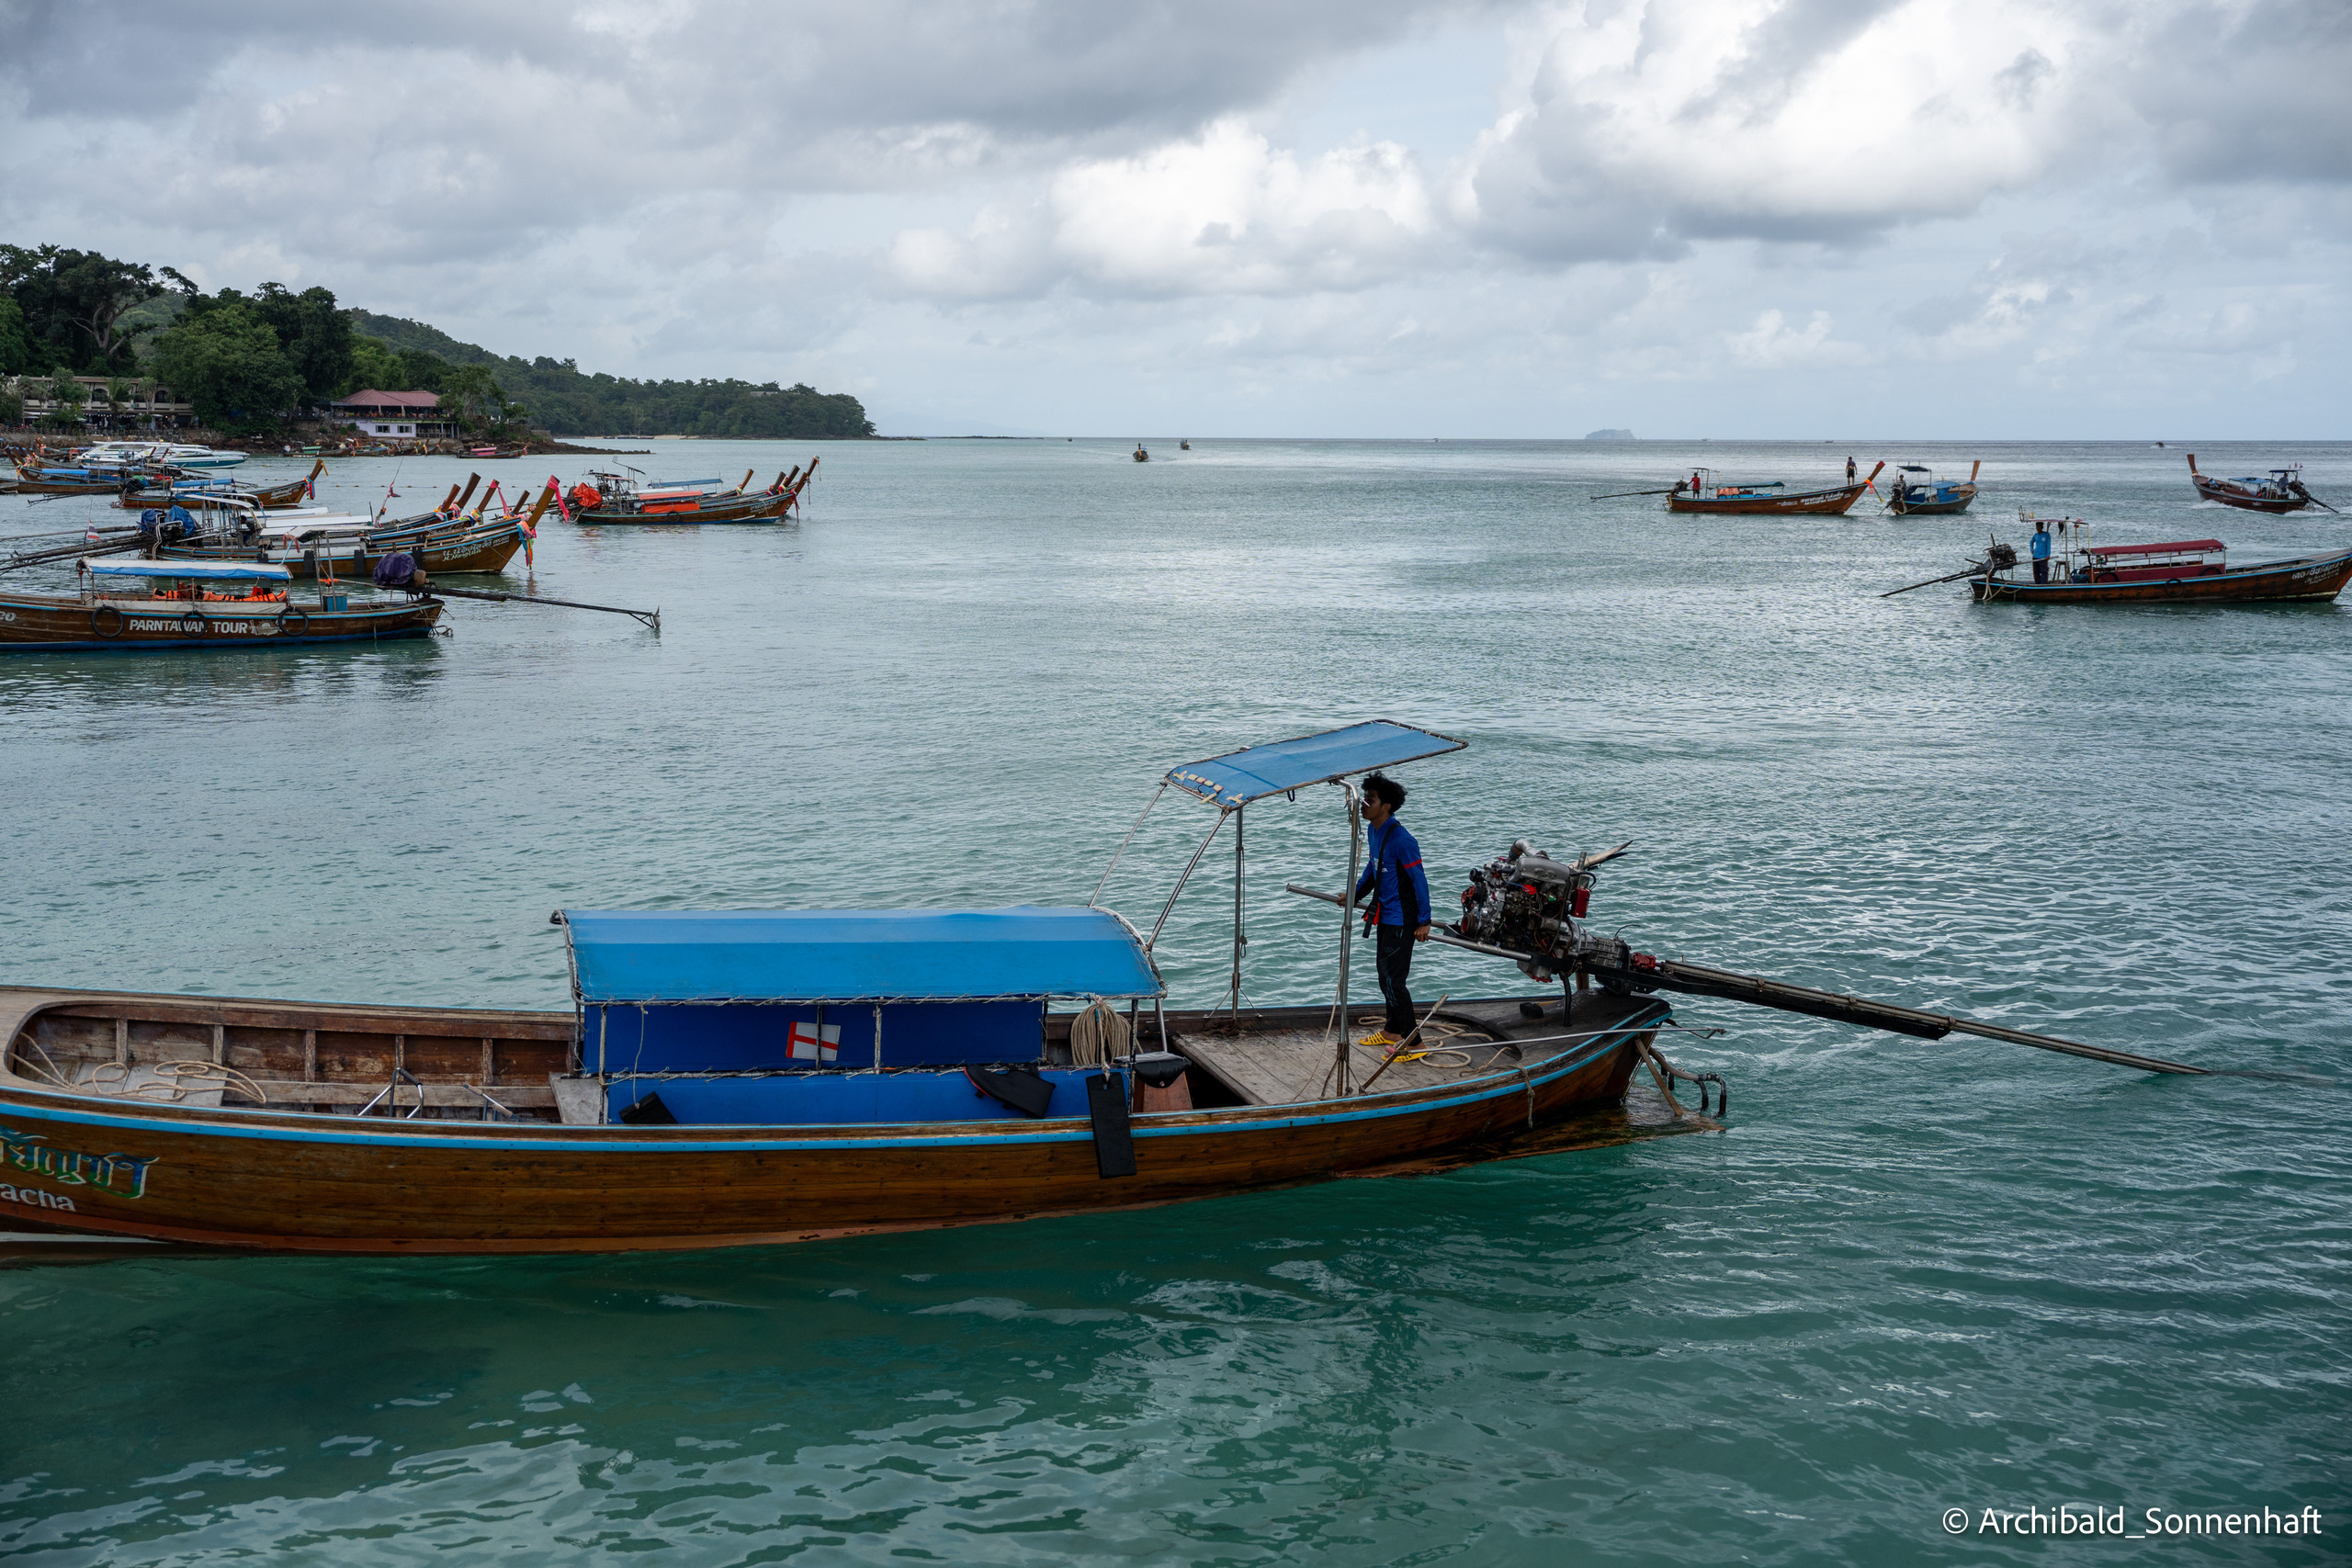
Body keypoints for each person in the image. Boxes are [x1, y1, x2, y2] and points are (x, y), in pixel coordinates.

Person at [1351, 773, 1431, 1049]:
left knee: (1393, 981)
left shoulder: (1403, 840)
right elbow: (1373, 870)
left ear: (1385, 807)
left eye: (1369, 800)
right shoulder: (1375, 830)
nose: (1362, 804)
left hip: (1403, 919)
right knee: (1384, 977)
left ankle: (1414, 1042)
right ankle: (1392, 1031)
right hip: (1385, 915)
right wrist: (1353, 896)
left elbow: (1419, 880)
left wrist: (1425, 921)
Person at [2030, 519, 2052, 583]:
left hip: (2043, 557)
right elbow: (2031, 542)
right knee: (2036, 571)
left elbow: (2048, 545)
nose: (2038, 528)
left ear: (2042, 527)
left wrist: (2048, 554)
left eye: (2039, 527)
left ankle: (2044, 584)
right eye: (2037, 527)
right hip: (2036, 556)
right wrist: (2032, 550)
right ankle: (2037, 583)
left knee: (2044, 571)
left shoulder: (2046, 535)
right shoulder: (2036, 535)